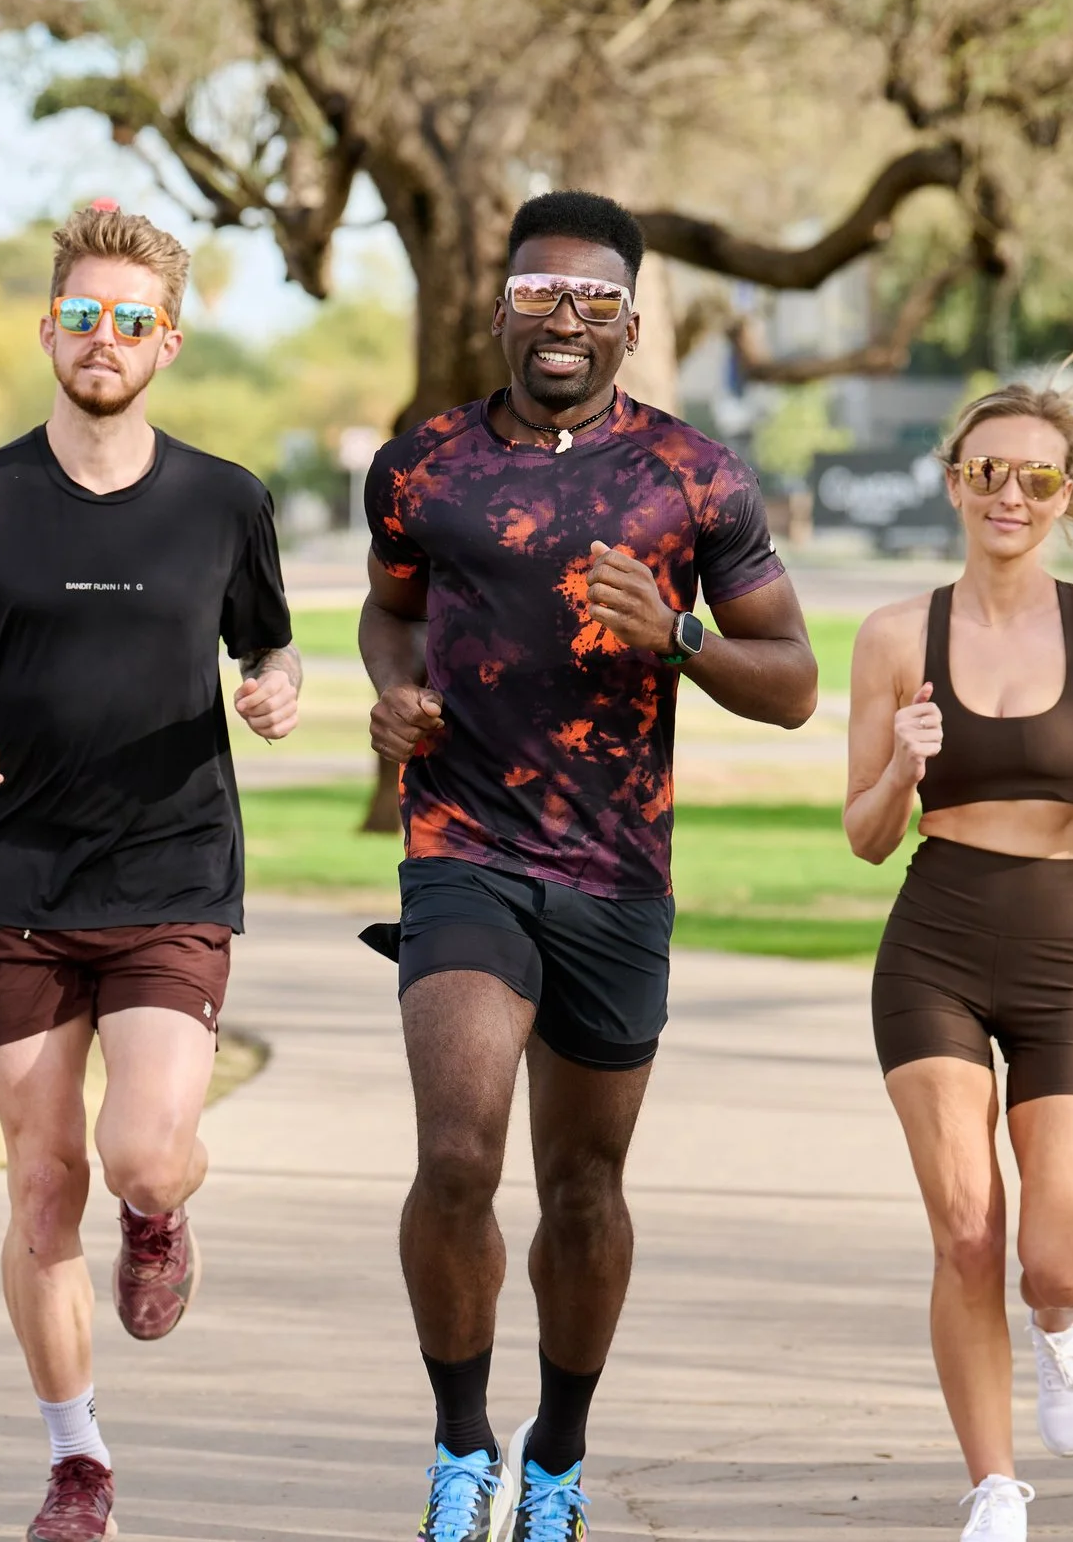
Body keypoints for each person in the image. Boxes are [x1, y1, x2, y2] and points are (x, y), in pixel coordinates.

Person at [359, 190, 820, 1542]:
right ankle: (460, 1441)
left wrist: (677, 632)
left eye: (592, 299)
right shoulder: (420, 467)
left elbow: (792, 681)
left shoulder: (697, 475)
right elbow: (390, 617)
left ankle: (555, 1451)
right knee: (457, 1149)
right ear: (499, 307)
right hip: (464, 847)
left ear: (631, 320)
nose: (563, 318)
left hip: (617, 867)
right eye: (537, 293)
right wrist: (394, 699)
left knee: (582, 1186)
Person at [0, 202, 300, 1542]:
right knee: (42, 1178)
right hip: (13, 883)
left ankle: (159, 1211)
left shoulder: (226, 500)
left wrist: (276, 690)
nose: (101, 340)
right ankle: (78, 1458)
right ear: (47, 328)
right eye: (80, 317)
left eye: (129, 321)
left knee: (142, 1148)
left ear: (165, 341)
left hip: (170, 870)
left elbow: (271, 648)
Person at [840, 378, 1073, 1540]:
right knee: (966, 1232)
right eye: (986, 471)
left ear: (1064, 495)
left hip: (1069, 946)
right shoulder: (896, 634)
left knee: (1052, 1253)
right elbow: (864, 832)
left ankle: (1060, 1324)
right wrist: (899, 762)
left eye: (1035, 475)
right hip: (934, 935)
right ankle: (992, 1483)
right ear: (953, 484)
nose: (1009, 493)